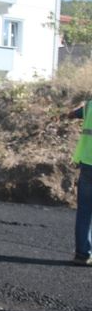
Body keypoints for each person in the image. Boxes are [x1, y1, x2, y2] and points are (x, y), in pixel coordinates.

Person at [68, 101, 92, 266]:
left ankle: (82, 255)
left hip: (87, 164)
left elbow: (72, 114)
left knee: (84, 212)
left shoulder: (90, 105)